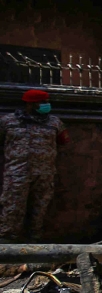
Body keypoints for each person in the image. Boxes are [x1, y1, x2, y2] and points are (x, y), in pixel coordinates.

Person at [0, 89, 69, 242]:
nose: (46, 105)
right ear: (30, 104)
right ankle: (7, 244)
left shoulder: (54, 123)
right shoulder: (8, 122)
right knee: (12, 208)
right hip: (16, 174)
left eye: (47, 102)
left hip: (45, 173)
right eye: (42, 102)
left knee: (40, 209)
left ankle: (34, 242)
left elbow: (63, 141)